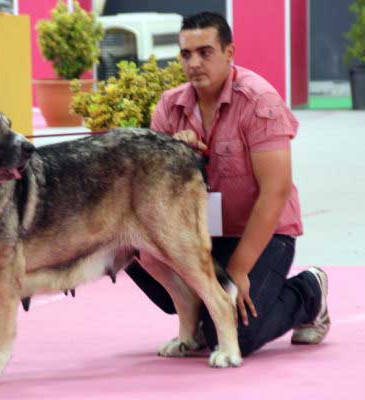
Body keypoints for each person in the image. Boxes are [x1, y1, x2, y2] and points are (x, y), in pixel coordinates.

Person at [125, 11, 330, 357]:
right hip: (200, 237)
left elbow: (276, 191)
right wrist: (176, 157)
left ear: (230, 53)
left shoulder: (259, 101)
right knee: (127, 250)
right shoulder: (169, 106)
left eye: (205, 52)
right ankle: (201, 315)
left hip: (261, 234)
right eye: (186, 54)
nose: (194, 63)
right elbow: (150, 194)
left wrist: (239, 269)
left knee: (237, 337)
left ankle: (310, 292)